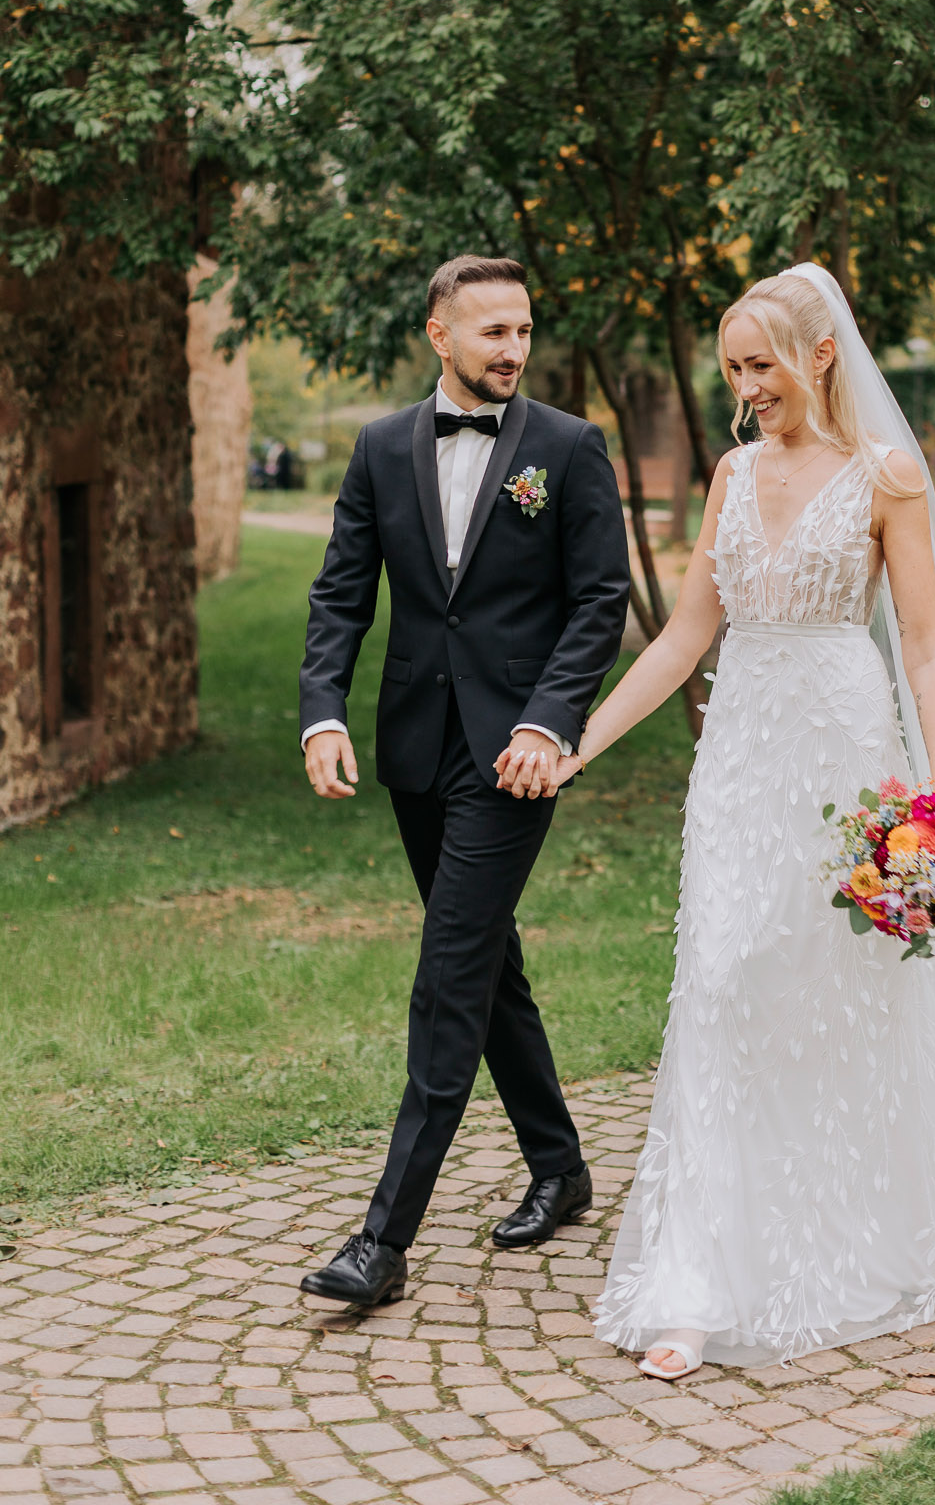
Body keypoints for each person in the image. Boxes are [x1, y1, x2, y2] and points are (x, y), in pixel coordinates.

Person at [548, 264, 935, 1377]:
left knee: (844, 994)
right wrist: (578, 744)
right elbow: (682, 637)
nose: (747, 387)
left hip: (848, 761)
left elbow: (926, 647)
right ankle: (700, 1277)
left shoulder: (887, 475)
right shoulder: (732, 473)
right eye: (733, 369)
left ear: (820, 354)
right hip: (740, 763)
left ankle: (873, 1234)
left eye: (762, 365)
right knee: (725, 980)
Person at [297, 255, 630, 1308]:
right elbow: (342, 591)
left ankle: (382, 1242)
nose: (514, 348)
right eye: (493, 331)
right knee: (486, 962)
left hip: (515, 756)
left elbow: (600, 601)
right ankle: (561, 1168)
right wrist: (321, 712)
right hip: (415, 747)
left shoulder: (568, 448)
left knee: (448, 971)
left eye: (523, 329)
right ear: (439, 334)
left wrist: (547, 720)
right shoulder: (380, 447)